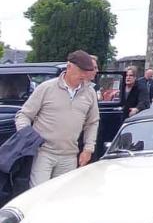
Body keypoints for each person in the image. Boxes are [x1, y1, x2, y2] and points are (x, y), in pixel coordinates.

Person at [14, 50, 100, 187]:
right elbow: (23, 115)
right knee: (39, 195)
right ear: (69, 66)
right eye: (81, 70)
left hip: (70, 155)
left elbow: (92, 122)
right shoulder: (46, 88)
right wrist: (28, 137)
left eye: (86, 71)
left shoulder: (89, 93)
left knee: (62, 197)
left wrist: (88, 149)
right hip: (44, 153)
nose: (84, 75)